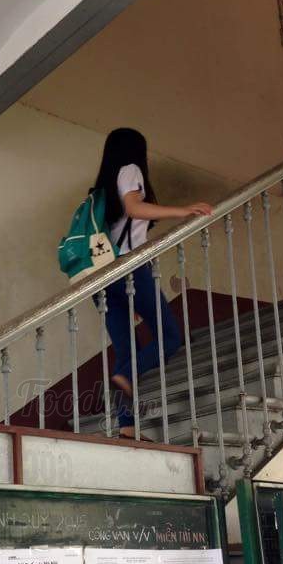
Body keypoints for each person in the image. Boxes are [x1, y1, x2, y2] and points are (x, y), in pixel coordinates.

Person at [93, 128, 212, 439]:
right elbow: (134, 208)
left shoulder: (103, 186)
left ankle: (127, 427)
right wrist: (183, 210)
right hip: (130, 270)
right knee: (170, 337)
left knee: (126, 351)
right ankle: (123, 377)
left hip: (105, 279)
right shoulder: (130, 170)